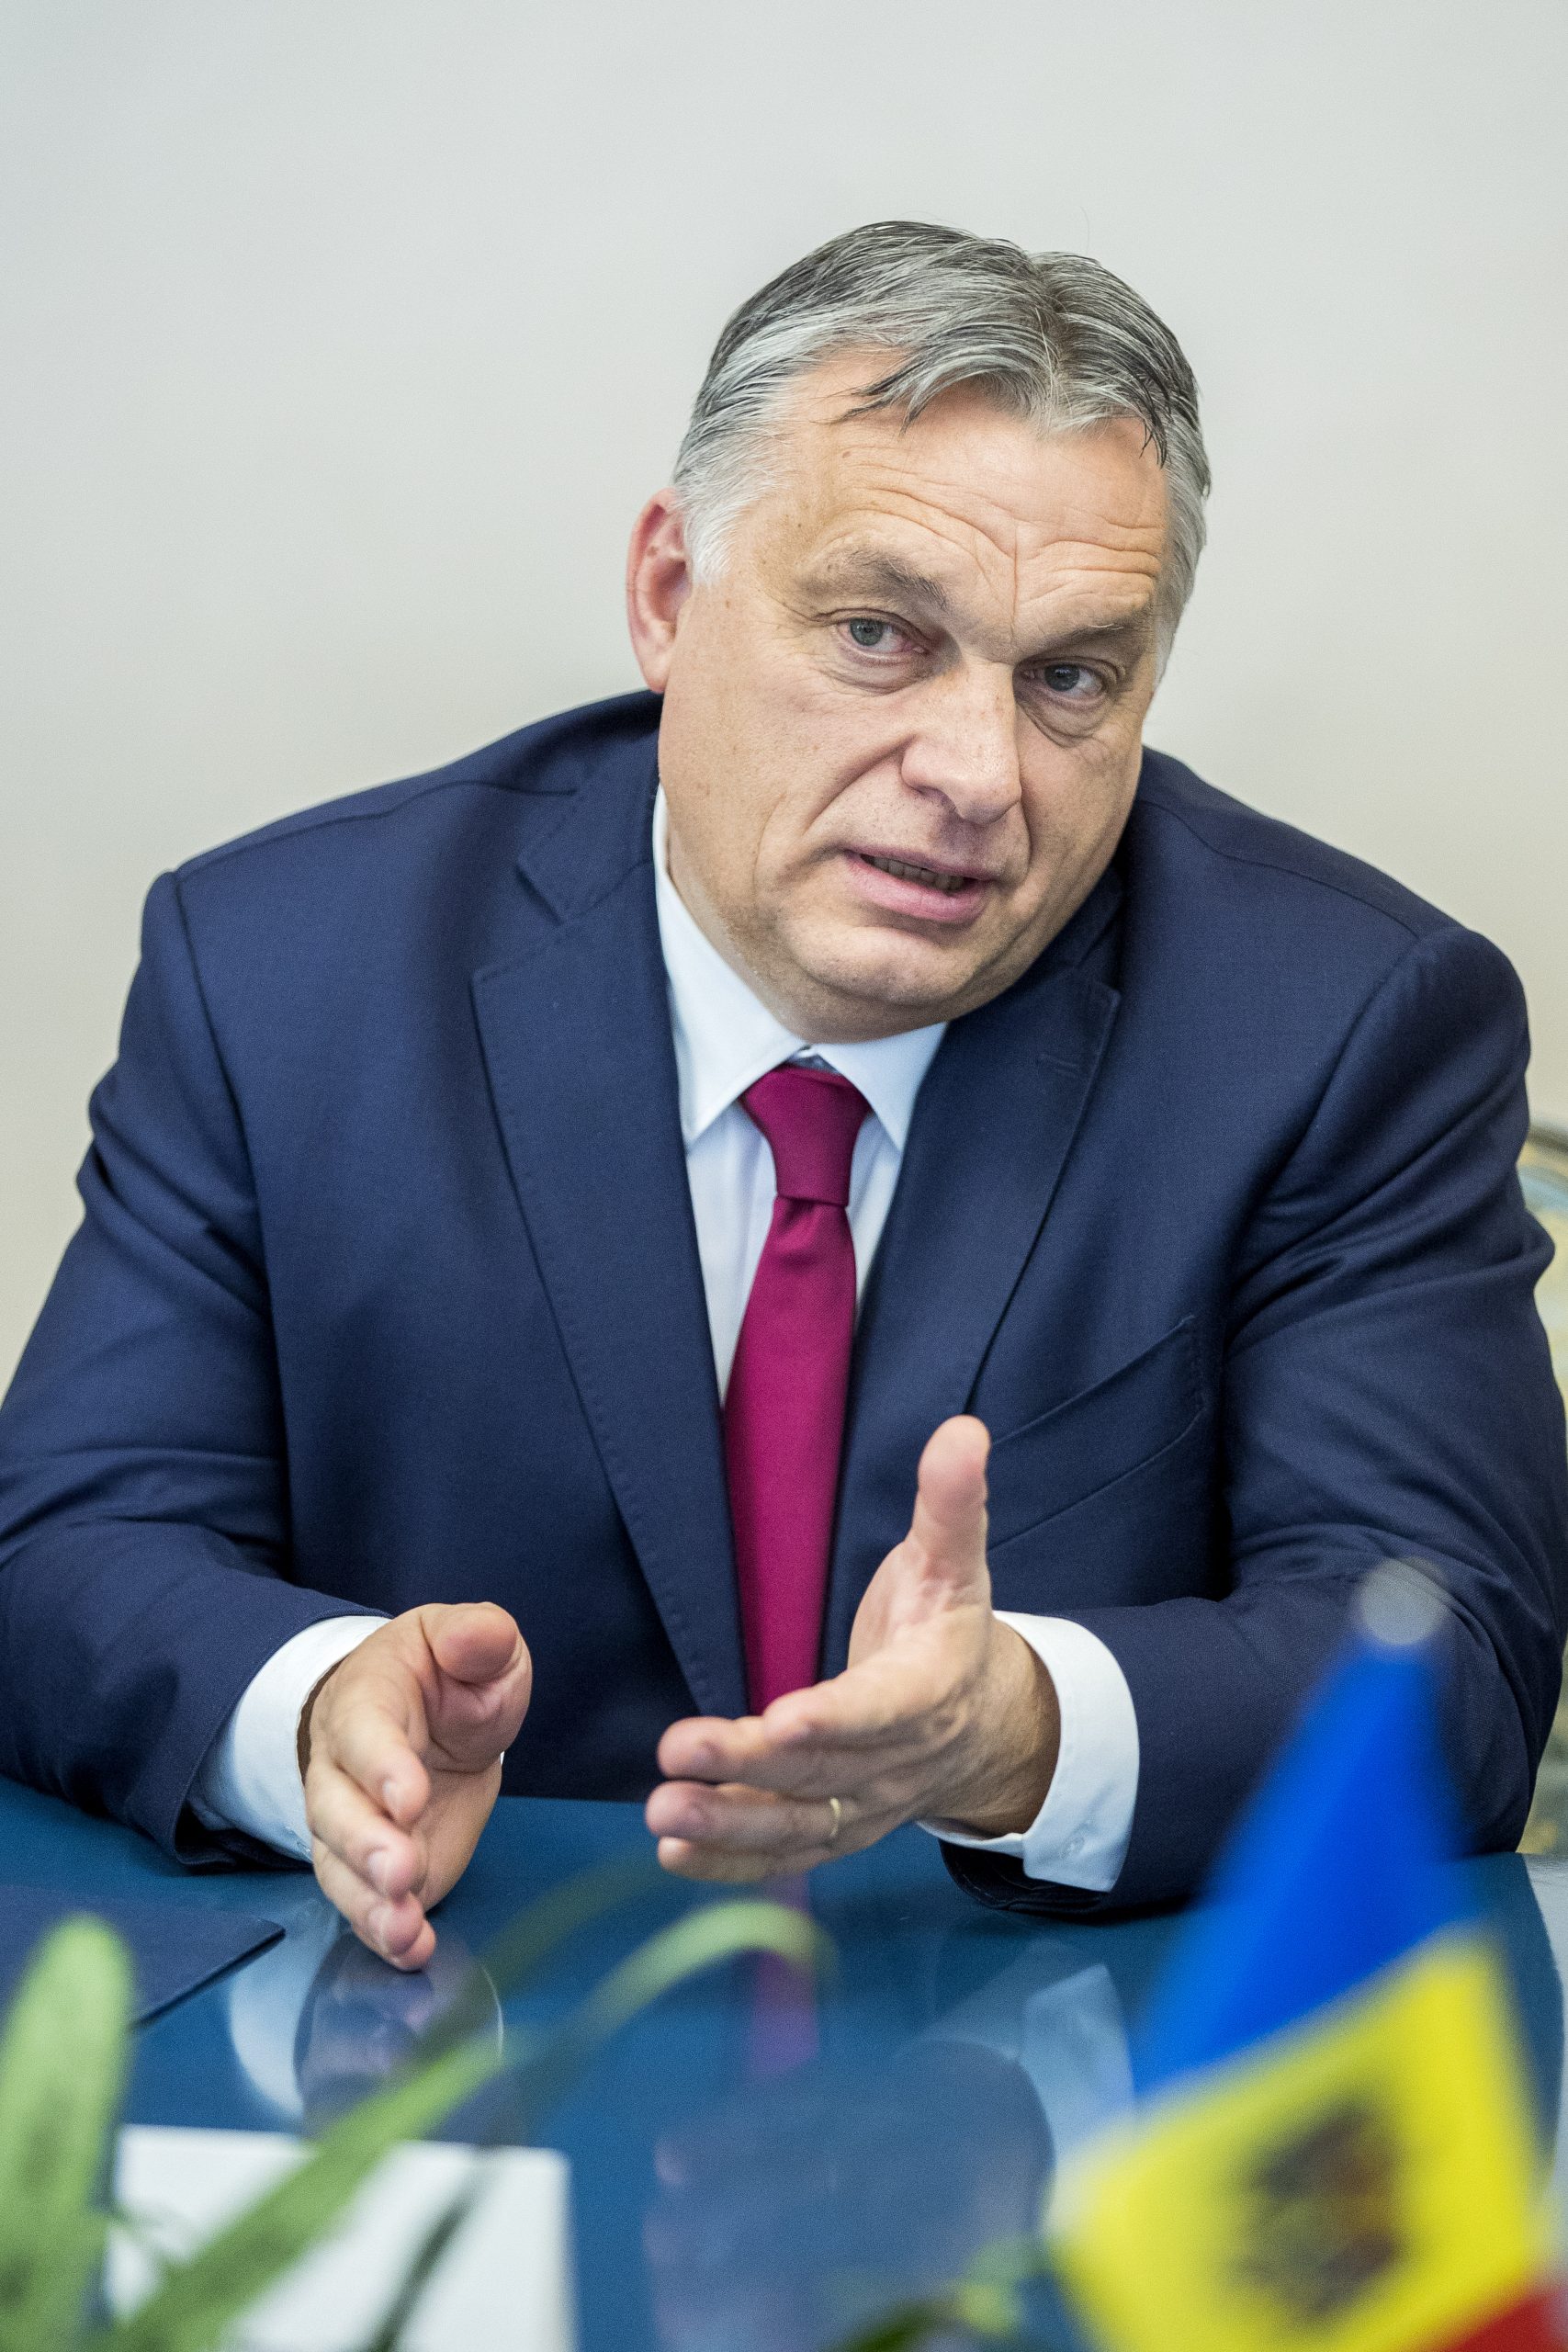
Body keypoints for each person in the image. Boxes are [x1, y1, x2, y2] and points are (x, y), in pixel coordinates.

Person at [2, 222, 1564, 1973]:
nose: (980, 776)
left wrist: (1025, 1730)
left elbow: (1457, 1664)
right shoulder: (286, 974)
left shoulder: (1348, 1024)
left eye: (1072, 678)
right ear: (670, 594)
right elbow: (66, 1546)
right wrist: (305, 1711)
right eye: (882, 635)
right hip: (444, 2051)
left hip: (1049, 2103)